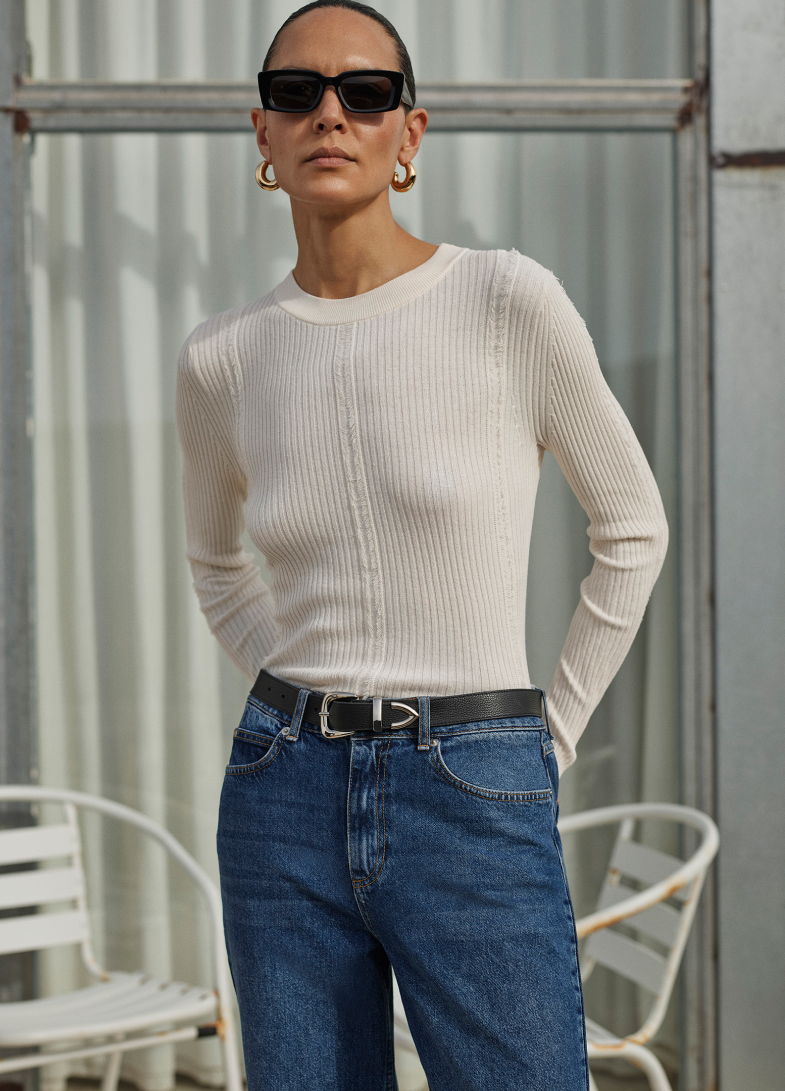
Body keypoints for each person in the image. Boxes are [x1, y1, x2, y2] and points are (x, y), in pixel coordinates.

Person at [176, 2, 668, 1088]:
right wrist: (292, 700)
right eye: (297, 93)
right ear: (261, 131)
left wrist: (543, 738)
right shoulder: (223, 358)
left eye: (365, 92)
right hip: (281, 791)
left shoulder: (504, 300)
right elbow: (215, 564)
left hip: (472, 780)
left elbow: (631, 527)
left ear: (411, 130)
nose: (330, 115)